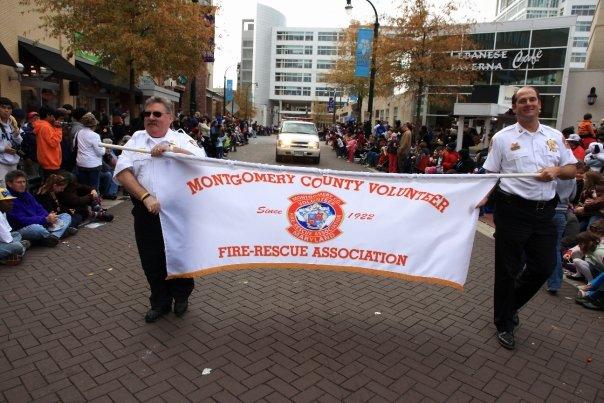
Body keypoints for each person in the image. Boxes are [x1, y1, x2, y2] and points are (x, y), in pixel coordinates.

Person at [481, 86, 577, 350]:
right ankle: (504, 324)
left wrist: (557, 170)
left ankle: (508, 307)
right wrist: (482, 197)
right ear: (515, 107)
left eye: (532, 99)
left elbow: (572, 169)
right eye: (522, 101)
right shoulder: (501, 138)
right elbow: (490, 174)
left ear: (540, 104)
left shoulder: (556, 137)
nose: (528, 104)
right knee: (507, 270)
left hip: (545, 212)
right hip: (513, 211)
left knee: (544, 267)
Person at [114, 96, 206, 323]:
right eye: (147, 114)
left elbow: (202, 163)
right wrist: (145, 196)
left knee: (179, 256)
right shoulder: (136, 139)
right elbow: (123, 171)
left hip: (179, 213)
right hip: (147, 211)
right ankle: (159, 302)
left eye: (157, 114)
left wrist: (171, 149)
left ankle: (181, 296)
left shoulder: (181, 139)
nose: (151, 118)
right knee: (151, 259)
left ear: (170, 118)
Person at [5, 170, 74, 246]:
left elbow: (39, 209)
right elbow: (21, 221)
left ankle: (52, 237)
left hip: (41, 222)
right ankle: (58, 233)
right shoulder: (8, 200)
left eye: (24, 182)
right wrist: (45, 220)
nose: (23, 185)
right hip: (24, 228)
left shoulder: (27, 194)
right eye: (19, 182)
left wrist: (48, 218)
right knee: (36, 229)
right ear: (9, 184)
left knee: (65, 216)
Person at [75, 112, 104, 191]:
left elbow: (74, 145)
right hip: (93, 164)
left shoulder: (78, 133)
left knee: (83, 187)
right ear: (94, 125)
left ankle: (84, 201)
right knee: (94, 187)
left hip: (81, 163)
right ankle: (94, 202)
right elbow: (100, 152)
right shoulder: (95, 135)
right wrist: (104, 148)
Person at [0, 187, 29, 265]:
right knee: (18, 246)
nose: (11, 203)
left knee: (17, 234)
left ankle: (10, 256)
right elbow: (7, 240)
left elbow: (8, 233)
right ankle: (7, 257)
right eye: (7, 201)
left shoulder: (3, 212)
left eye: (11, 200)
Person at [34, 106, 63, 179]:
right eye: (53, 116)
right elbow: (53, 142)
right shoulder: (46, 127)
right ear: (48, 115)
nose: (54, 118)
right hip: (51, 162)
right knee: (51, 186)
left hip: (47, 161)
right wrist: (58, 129)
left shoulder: (42, 126)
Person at [0, 98, 22, 187]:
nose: (6, 110)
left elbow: (19, 141)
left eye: (9, 108)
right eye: (3, 107)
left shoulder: (12, 123)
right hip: (1, 163)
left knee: (14, 189)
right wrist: (4, 149)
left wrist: (16, 134)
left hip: (13, 162)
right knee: (3, 191)